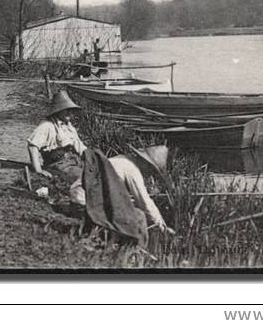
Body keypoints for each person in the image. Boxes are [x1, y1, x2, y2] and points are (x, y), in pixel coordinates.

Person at [26, 91, 170, 232]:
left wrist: (96, 161)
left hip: (72, 160)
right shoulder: (47, 126)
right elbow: (33, 146)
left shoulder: (69, 127)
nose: (70, 115)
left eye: (71, 111)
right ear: (58, 111)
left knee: (92, 172)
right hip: (58, 162)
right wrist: (38, 169)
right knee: (84, 176)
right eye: (67, 111)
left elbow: (80, 147)